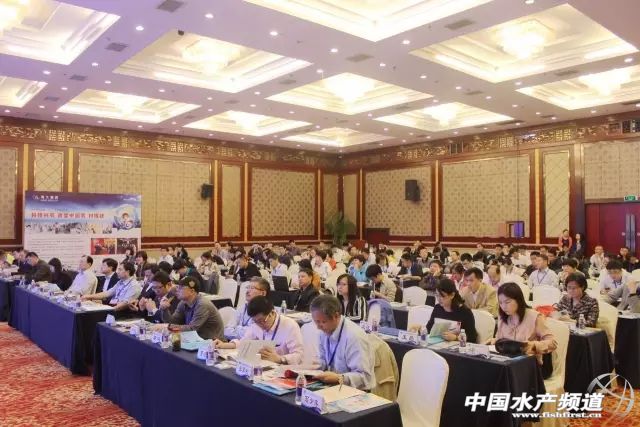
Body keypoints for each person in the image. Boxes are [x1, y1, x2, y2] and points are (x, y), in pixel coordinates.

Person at [310, 295, 375, 391]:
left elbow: (364, 377)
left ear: (336, 316)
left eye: (323, 322)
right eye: (316, 322)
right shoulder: (323, 331)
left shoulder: (354, 336)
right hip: (332, 387)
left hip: (356, 391)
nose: (319, 327)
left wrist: (339, 378)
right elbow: (324, 361)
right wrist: (315, 367)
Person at [214, 296, 304, 365]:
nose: (260, 325)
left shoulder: (290, 326)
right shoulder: (256, 324)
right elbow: (244, 342)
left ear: (272, 313)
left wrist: (280, 359)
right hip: (263, 366)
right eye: (255, 321)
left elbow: (299, 355)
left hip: (283, 368)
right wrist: (224, 345)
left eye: (262, 321)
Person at [489, 283, 557, 365]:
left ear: (518, 300)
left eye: (507, 302)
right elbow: (500, 340)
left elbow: (553, 343)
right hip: (506, 362)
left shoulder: (535, 317)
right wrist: (494, 341)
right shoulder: (502, 317)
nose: (503, 307)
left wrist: (534, 345)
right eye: (500, 303)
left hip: (528, 364)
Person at [426, 279, 477, 343]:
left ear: (452, 295)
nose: (439, 299)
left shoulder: (465, 312)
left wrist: (456, 338)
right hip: (438, 345)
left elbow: (472, 337)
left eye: (442, 296)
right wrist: (420, 329)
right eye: (437, 295)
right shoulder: (437, 308)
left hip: (458, 347)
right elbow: (429, 329)